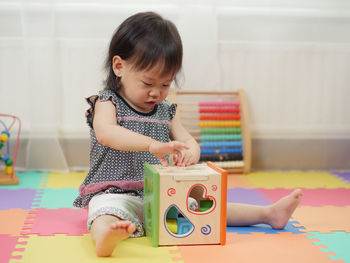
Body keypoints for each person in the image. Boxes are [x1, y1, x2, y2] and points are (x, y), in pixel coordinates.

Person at [74, 11, 303, 257]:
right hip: (115, 192)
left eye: (165, 84)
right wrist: (152, 145)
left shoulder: (165, 110)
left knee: (207, 207)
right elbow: (107, 133)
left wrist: (192, 150)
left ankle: (268, 214)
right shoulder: (108, 102)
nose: (156, 93)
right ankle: (106, 237)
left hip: (160, 193)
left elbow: (185, 138)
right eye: (148, 83)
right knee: (104, 212)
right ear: (119, 66)